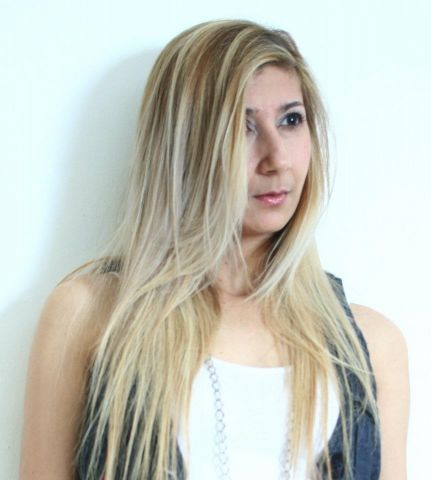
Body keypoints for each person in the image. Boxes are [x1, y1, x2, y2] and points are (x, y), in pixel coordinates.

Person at [19, 19, 409, 480]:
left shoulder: (370, 347)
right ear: (183, 147)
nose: (277, 158)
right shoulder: (92, 317)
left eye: (290, 120)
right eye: (242, 127)